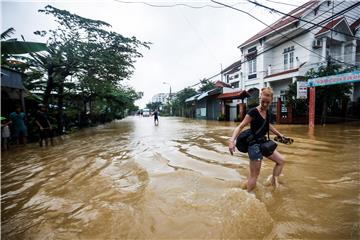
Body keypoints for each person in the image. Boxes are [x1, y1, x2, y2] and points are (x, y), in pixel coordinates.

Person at [228, 87, 286, 192]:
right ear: (260, 98)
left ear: (271, 100)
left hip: (263, 143)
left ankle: (274, 181)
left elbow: (268, 126)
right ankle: (248, 195)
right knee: (255, 175)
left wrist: (280, 134)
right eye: (263, 101)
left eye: (267, 102)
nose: (265, 104)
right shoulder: (253, 112)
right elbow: (240, 126)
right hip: (254, 145)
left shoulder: (268, 112)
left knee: (281, 161)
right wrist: (232, 141)